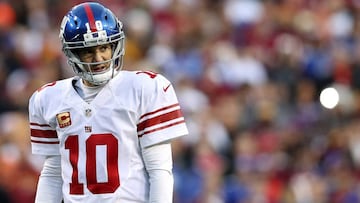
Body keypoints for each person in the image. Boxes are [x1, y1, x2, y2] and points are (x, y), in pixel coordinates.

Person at [28, 2, 188, 203]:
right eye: (88, 50)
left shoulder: (145, 88)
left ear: (115, 45)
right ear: (72, 53)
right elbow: (53, 172)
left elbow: (160, 169)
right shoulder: (48, 99)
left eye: (104, 47)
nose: (98, 57)